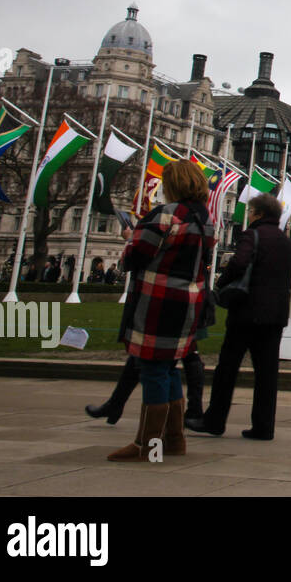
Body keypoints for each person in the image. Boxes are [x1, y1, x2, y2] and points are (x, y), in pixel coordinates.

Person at [109, 159, 215, 462]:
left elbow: (135, 258)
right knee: (168, 368)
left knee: (154, 369)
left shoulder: (164, 216)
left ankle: (148, 445)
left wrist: (130, 239)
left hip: (158, 301)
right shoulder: (203, 220)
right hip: (189, 303)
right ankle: (174, 439)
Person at [187, 193, 291, 441]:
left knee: (227, 369)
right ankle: (263, 426)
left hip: (247, 312)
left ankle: (215, 420)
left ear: (258, 214)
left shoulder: (252, 235)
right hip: (275, 315)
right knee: (267, 373)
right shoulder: (287, 242)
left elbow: (239, 263)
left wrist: (222, 283)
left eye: (250, 212)